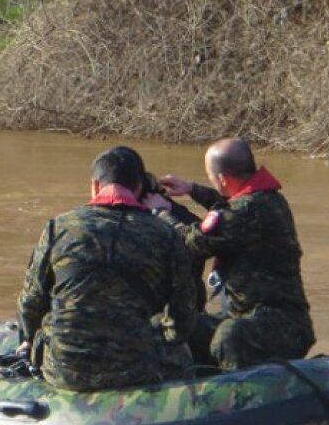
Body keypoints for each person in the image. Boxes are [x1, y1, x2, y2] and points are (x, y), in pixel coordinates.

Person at [17, 146, 199, 391]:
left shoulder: (58, 227)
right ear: (138, 188)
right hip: (138, 371)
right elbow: (184, 315)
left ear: (94, 185)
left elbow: (31, 300)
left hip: (63, 369)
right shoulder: (165, 234)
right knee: (183, 354)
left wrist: (28, 339)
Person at [144, 137, 315, 369]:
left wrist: (161, 211)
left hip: (281, 322)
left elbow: (193, 241)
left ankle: (238, 398)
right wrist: (191, 189)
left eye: (211, 176)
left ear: (222, 179)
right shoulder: (265, 198)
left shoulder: (248, 210)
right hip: (245, 316)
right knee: (169, 327)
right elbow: (228, 208)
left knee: (229, 337)